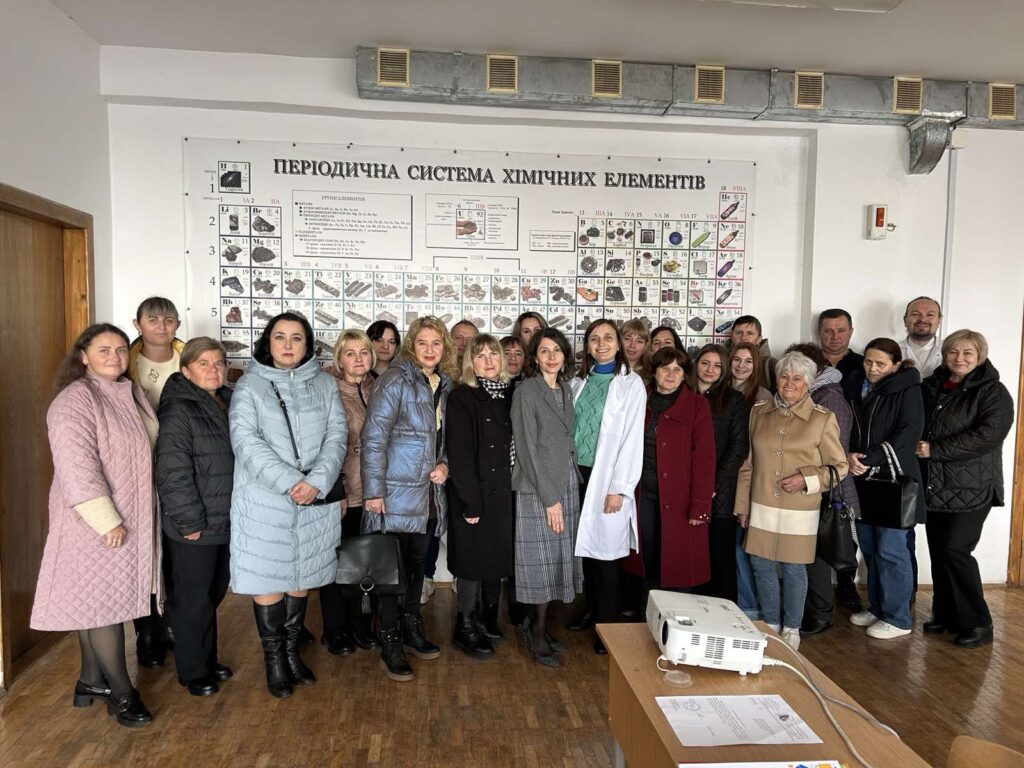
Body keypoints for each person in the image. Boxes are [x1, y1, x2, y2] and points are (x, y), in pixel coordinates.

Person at [31, 323, 160, 727]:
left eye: (121, 350)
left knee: (97, 602)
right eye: (104, 350)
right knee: (105, 607)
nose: (115, 357)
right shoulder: (75, 400)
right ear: (83, 356)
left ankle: (90, 680)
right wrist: (106, 520)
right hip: (95, 523)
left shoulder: (129, 392)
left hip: (130, 517)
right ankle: (122, 693)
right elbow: (77, 468)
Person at [229, 312, 346, 698]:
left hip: (313, 497)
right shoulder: (250, 386)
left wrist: (316, 483)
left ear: (308, 344)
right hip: (266, 501)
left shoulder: (325, 384)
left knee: (302, 576)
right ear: (268, 342)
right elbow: (246, 441)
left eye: (297, 337)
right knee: (268, 578)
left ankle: (293, 653)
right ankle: (275, 660)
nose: (288, 344)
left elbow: (337, 436)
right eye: (280, 337)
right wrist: (292, 483)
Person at [735, 351, 848, 651]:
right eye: (784, 376)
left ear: (808, 383)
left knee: (794, 568)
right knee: (760, 564)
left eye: (797, 378)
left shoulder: (823, 419)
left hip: (800, 508)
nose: (789, 383)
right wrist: (742, 506)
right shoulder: (758, 412)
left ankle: (792, 627)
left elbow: (839, 467)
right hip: (761, 503)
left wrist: (805, 479)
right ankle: (771, 623)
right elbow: (747, 464)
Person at [362, 316, 454, 681]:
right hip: (394, 494)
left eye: (436, 343)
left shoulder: (444, 384)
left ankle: (411, 628)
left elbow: (446, 440)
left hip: (428, 495)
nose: (430, 350)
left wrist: (445, 465)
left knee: (417, 567)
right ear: (411, 346)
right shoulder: (395, 380)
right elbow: (373, 438)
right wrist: (374, 492)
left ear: (445, 348)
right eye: (423, 343)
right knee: (391, 573)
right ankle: (390, 642)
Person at [917, 330, 1014, 648]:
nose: (959, 358)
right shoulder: (933, 385)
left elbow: (988, 435)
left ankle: (978, 622)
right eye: (953, 352)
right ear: (945, 354)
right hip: (936, 484)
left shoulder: (993, 391)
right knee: (939, 551)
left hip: (973, 486)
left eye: (968, 353)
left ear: (980, 356)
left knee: (955, 550)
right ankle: (946, 614)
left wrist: (936, 450)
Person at [154, 337, 234, 696]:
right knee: (192, 598)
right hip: (195, 524)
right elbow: (173, 472)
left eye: (218, 362)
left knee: (212, 592)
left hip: (224, 518)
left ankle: (205, 659)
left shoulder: (226, 401)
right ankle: (193, 670)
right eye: (203, 363)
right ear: (186, 370)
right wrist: (190, 523)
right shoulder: (179, 409)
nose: (213, 369)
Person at [571, 319, 646, 655]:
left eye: (608, 338)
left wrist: (619, 488)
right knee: (587, 549)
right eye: (594, 338)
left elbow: (632, 441)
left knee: (607, 555)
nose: (601, 344)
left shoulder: (631, 385)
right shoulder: (578, 381)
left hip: (608, 479)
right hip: (577, 474)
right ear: (587, 345)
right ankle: (592, 610)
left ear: (619, 344)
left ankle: (608, 625)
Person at [511, 328, 583, 667]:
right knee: (538, 562)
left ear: (565, 355)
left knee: (556, 558)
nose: (551, 356)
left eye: (557, 350)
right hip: (538, 487)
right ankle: (537, 633)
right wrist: (549, 499)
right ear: (535, 358)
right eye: (544, 350)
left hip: (566, 481)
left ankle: (539, 625)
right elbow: (526, 449)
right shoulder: (526, 391)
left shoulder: (565, 389)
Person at [845, 338, 925, 640]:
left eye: (880, 363)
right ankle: (878, 608)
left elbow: (908, 433)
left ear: (895, 365)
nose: (873, 368)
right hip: (863, 480)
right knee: (870, 548)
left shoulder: (909, 389)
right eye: (868, 361)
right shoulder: (857, 386)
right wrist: (851, 456)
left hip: (894, 480)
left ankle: (898, 618)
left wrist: (868, 458)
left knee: (891, 550)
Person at [625, 347, 716, 602]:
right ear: (654, 372)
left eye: (678, 369)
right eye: (665, 368)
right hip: (641, 496)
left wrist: (700, 505)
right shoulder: (638, 399)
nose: (671, 374)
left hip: (680, 499)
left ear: (684, 374)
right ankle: (645, 617)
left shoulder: (697, 405)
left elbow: (705, 458)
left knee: (677, 563)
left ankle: (678, 619)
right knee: (646, 560)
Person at [446, 334, 517, 659]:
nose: (488, 361)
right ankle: (464, 626)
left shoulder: (509, 394)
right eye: (480, 355)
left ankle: (486, 619)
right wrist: (470, 502)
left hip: (503, 491)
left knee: (494, 559)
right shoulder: (462, 397)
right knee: (472, 562)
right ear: (470, 363)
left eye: (493, 354)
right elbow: (459, 455)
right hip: (472, 493)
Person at [785, 344, 862, 633]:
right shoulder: (810, 394)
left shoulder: (828, 396)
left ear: (815, 369)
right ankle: (814, 611)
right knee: (808, 554)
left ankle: (820, 615)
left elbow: (835, 453)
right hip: (812, 487)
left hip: (828, 490)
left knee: (816, 556)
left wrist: (808, 475)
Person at [127, 296, 183, 668]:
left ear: (177, 324)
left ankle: (175, 626)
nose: (161, 326)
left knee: (177, 553)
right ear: (138, 324)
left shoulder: (188, 359)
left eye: (168, 320)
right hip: (137, 471)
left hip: (179, 467)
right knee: (144, 555)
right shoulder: (125, 363)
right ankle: (147, 634)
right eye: (153, 320)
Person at [319, 330, 379, 656]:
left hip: (374, 492)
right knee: (335, 565)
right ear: (339, 359)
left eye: (363, 352)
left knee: (363, 564)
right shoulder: (327, 390)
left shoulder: (378, 387)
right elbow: (323, 448)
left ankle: (360, 625)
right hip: (342, 491)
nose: (358, 359)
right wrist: (337, 489)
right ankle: (335, 630)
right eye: (350, 353)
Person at [689, 344, 749, 603]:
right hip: (685, 488)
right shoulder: (683, 394)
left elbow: (738, 447)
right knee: (690, 557)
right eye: (705, 363)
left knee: (719, 558)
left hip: (719, 493)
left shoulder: (734, 400)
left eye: (717, 365)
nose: (710, 370)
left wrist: (711, 484)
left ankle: (724, 615)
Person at [728, 315, 778, 392]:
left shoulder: (771, 365)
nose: (743, 337)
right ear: (731, 336)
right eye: (739, 332)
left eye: (750, 333)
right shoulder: (719, 360)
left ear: (759, 339)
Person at [900, 297, 943, 379]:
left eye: (930, 315)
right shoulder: (890, 353)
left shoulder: (952, 351)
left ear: (939, 321)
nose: (922, 319)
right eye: (915, 314)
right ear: (905, 320)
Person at [818, 309, 864, 382]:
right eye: (828, 331)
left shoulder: (864, 365)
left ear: (851, 332)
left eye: (841, 331)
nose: (835, 337)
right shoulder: (805, 362)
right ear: (819, 332)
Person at [730, 341, 770, 407]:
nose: (741, 365)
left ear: (755, 365)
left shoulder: (763, 395)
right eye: (737, 359)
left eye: (748, 361)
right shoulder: (717, 388)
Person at [621, 318, 652, 383]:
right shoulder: (608, 370)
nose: (632, 345)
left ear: (645, 346)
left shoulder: (653, 375)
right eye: (627, 338)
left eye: (639, 341)